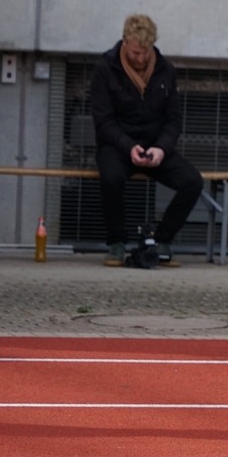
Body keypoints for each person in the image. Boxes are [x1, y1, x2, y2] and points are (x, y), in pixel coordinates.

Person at [90, 14, 203, 267]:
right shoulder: (105, 69)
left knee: (193, 181)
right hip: (117, 146)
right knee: (111, 177)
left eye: (145, 53)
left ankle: (162, 241)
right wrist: (129, 146)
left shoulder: (166, 70)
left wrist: (161, 149)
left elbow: (173, 119)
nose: (140, 59)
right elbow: (103, 122)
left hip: (155, 147)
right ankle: (116, 242)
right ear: (124, 42)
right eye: (135, 53)